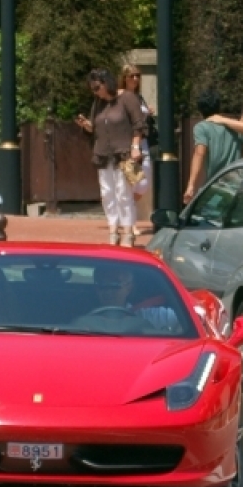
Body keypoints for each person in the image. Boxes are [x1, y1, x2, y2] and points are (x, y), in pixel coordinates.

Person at [75, 68, 146, 247]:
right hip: (103, 154)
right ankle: (113, 231)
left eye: (97, 87)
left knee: (124, 194)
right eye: (92, 89)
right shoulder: (98, 103)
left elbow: (139, 124)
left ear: (107, 83)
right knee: (107, 194)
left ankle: (128, 232)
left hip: (123, 153)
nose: (95, 91)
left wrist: (135, 146)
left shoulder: (127, 98)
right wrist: (87, 126)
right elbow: (96, 128)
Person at [184, 90, 243, 204]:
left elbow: (199, 153)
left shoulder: (201, 127)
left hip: (216, 186)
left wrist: (191, 185)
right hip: (238, 186)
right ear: (219, 106)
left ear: (200, 110)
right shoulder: (235, 125)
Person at [91, 264, 179, 331]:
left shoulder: (149, 316)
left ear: (129, 287)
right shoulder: (80, 316)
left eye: (115, 285)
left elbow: (184, 320)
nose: (108, 291)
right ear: (96, 289)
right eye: (102, 285)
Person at [117, 64, 154, 213]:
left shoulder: (139, 97)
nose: (135, 79)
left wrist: (147, 113)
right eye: (132, 76)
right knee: (130, 181)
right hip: (128, 141)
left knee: (144, 183)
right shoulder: (120, 95)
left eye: (138, 75)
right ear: (124, 78)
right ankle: (129, 221)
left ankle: (125, 210)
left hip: (142, 140)